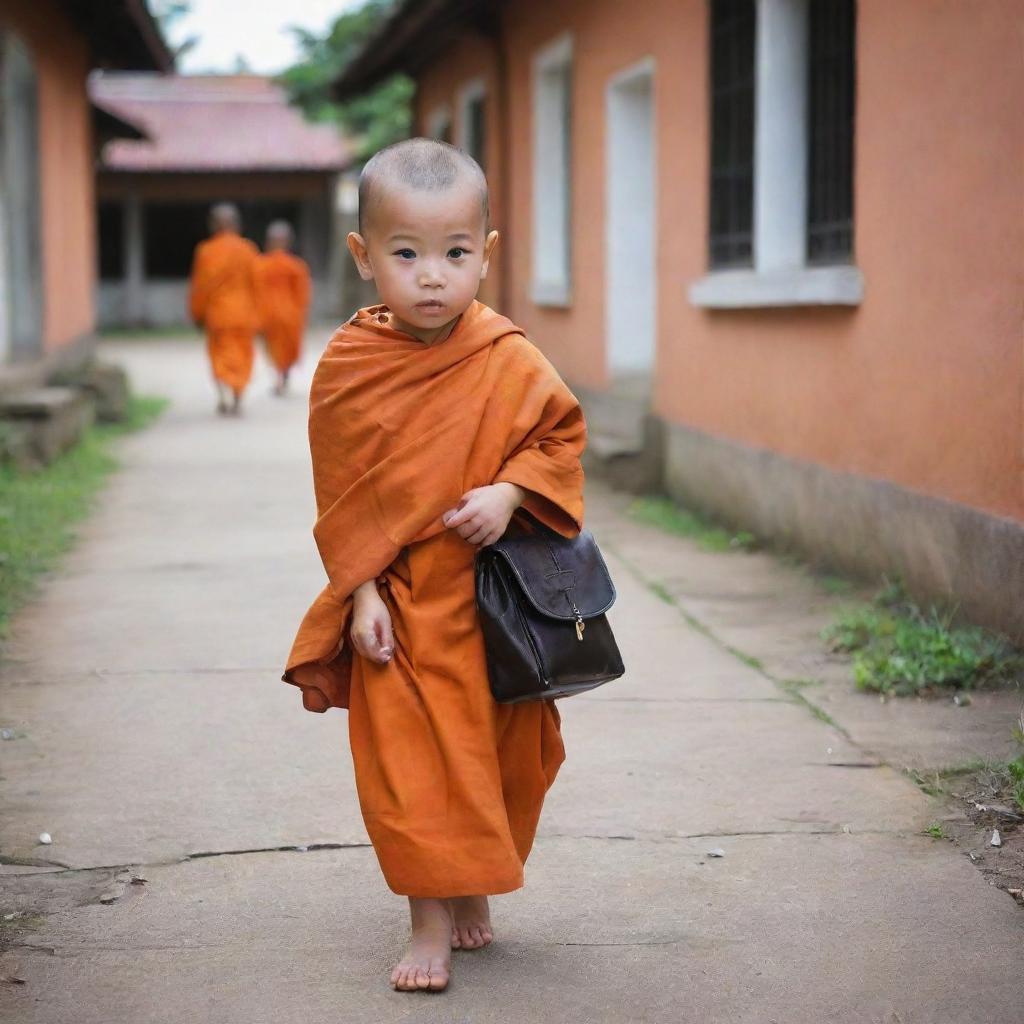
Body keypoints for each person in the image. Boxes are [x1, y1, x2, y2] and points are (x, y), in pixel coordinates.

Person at [283, 138, 586, 993]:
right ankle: (427, 923)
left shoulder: (508, 355)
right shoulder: (350, 368)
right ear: (363, 255)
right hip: (405, 608)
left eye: (455, 254)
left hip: (492, 607)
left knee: (500, 756)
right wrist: (361, 592)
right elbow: (342, 493)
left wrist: (511, 494)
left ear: (486, 255)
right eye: (405, 254)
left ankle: (472, 883)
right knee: (409, 768)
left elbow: (558, 437)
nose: (431, 277)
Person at [188, 203, 260, 416]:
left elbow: (200, 287)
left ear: (213, 225)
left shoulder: (206, 251)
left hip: (217, 315)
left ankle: (222, 396)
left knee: (219, 354)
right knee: (241, 354)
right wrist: (258, 314)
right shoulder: (248, 249)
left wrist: (197, 314)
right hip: (243, 314)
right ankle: (237, 396)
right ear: (236, 224)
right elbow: (257, 285)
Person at [255, 220, 312, 395]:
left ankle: (280, 377)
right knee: (284, 348)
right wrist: (301, 313)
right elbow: (303, 294)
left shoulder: (260, 265)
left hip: (269, 314)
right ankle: (282, 376)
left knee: (275, 348)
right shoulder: (296, 266)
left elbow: (255, 292)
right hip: (289, 315)